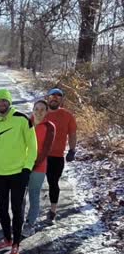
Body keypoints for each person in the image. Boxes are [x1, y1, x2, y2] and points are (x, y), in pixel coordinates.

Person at [0, 87, 37, 254]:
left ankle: (16, 246)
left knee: (17, 209)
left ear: (9, 101)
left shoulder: (22, 119)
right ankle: (7, 239)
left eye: (4, 100)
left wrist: (27, 168)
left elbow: (32, 146)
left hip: (18, 173)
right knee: (2, 209)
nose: (1, 103)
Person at [45, 87, 78, 221]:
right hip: (39, 156)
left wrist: (72, 150)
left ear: (61, 100)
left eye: (58, 96)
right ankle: (27, 214)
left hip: (57, 156)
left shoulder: (67, 115)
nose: (55, 98)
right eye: (52, 96)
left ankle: (53, 211)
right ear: (47, 98)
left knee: (53, 183)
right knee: (32, 185)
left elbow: (72, 134)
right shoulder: (40, 112)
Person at [24, 98, 55, 233]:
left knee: (34, 196)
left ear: (47, 111)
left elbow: (46, 149)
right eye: (36, 109)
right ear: (33, 110)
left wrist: (33, 165)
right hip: (22, 166)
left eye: (42, 109)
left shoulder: (49, 126)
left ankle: (30, 224)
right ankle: (18, 222)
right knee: (20, 197)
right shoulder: (25, 123)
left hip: (39, 167)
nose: (39, 112)